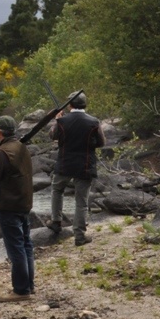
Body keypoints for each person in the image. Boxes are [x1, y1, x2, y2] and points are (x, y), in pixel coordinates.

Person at [0, 115, 35, 302]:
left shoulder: (3, 153)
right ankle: (29, 286)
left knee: (16, 248)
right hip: (24, 202)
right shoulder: (21, 147)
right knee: (26, 245)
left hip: (9, 205)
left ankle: (21, 290)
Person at [47, 91, 105, 246]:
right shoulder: (94, 121)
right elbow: (101, 142)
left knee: (57, 190)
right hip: (85, 165)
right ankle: (79, 236)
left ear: (70, 105)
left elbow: (52, 135)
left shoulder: (62, 121)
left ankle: (56, 222)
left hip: (64, 163)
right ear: (84, 104)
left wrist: (57, 120)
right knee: (81, 202)